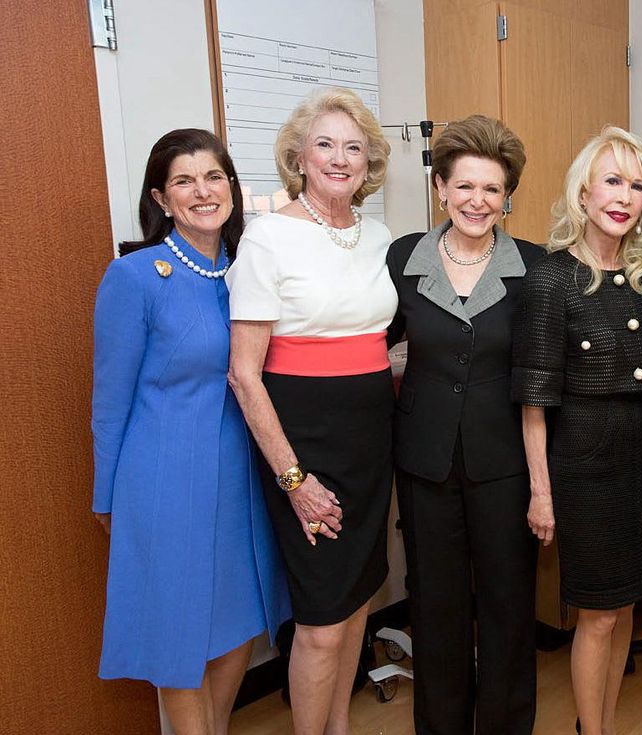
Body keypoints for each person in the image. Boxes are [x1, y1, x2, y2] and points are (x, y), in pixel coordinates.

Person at [92, 128, 291, 734]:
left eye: (213, 176)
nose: (202, 191)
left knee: (237, 625)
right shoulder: (133, 276)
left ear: (231, 186)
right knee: (177, 642)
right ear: (161, 197)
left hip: (238, 476)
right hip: (163, 481)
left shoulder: (246, 272)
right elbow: (108, 401)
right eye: (184, 180)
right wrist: (107, 498)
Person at [225, 88, 395, 735]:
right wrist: (294, 479)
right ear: (298, 155)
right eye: (324, 143)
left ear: (370, 162)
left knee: (357, 605)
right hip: (305, 448)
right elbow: (245, 374)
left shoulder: (377, 236)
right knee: (322, 623)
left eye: (354, 147)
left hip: (371, 443)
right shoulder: (268, 237)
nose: (339, 157)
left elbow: (380, 337)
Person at [512, 127, 642, 735]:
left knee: (628, 604)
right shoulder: (551, 279)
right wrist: (542, 491)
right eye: (612, 180)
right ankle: (593, 729)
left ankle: (600, 724)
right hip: (583, 459)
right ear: (584, 191)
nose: (624, 196)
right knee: (598, 614)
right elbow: (533, 400)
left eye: (637, 186)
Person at [386, 115, 541, 735]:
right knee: (437, 608)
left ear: (507, 198)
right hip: (424, 461)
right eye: (466, 186)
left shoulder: (534, 267)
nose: (478, 201)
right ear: (441, 189)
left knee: (507, 608)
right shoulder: (403, 259)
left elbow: (542, 373)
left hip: (503, 463)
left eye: (492, 190)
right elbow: (372, 344)